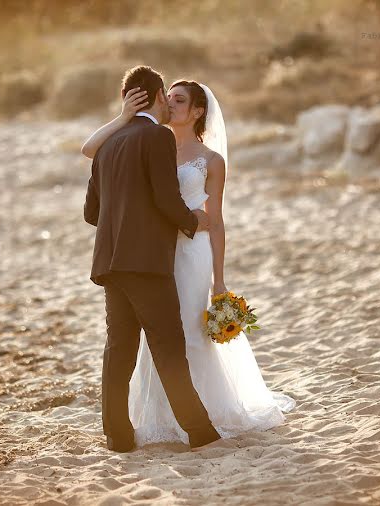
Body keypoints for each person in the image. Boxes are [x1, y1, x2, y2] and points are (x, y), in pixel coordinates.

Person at [83, 70, 295, 449]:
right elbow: (167, 200)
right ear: (158, 95)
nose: (171, 103)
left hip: (110, 262)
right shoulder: (158, 136)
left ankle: (118, 437)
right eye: (169, 97)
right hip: (148, 262)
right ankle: (200, 431)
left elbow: (91, 212)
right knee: (168, 346)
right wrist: (193, 220)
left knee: (119, 350)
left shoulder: (110, 143)